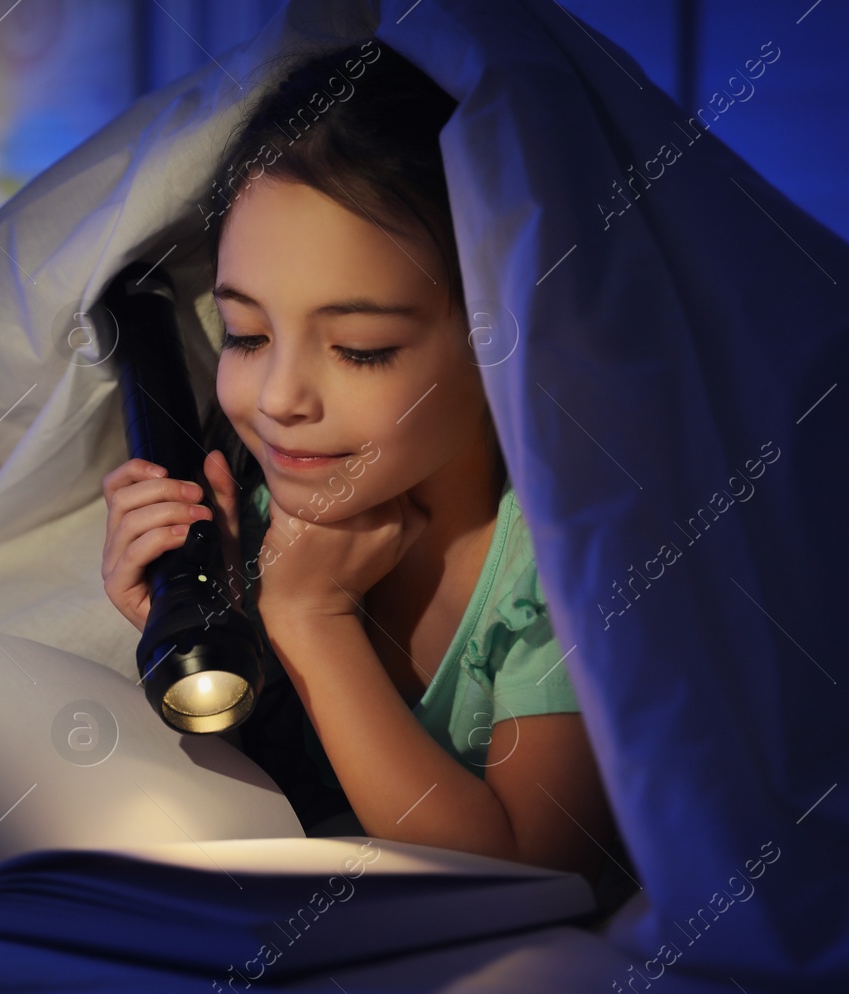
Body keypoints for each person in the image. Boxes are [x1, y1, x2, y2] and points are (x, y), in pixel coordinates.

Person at [101, 40, 624, 895]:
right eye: (246, 335)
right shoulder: (256, 520)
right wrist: (193, 632)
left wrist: (310, 620)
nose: (278, 399)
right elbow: (283, 816)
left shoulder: (561, 558)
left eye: (360, 349)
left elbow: (533, 875)